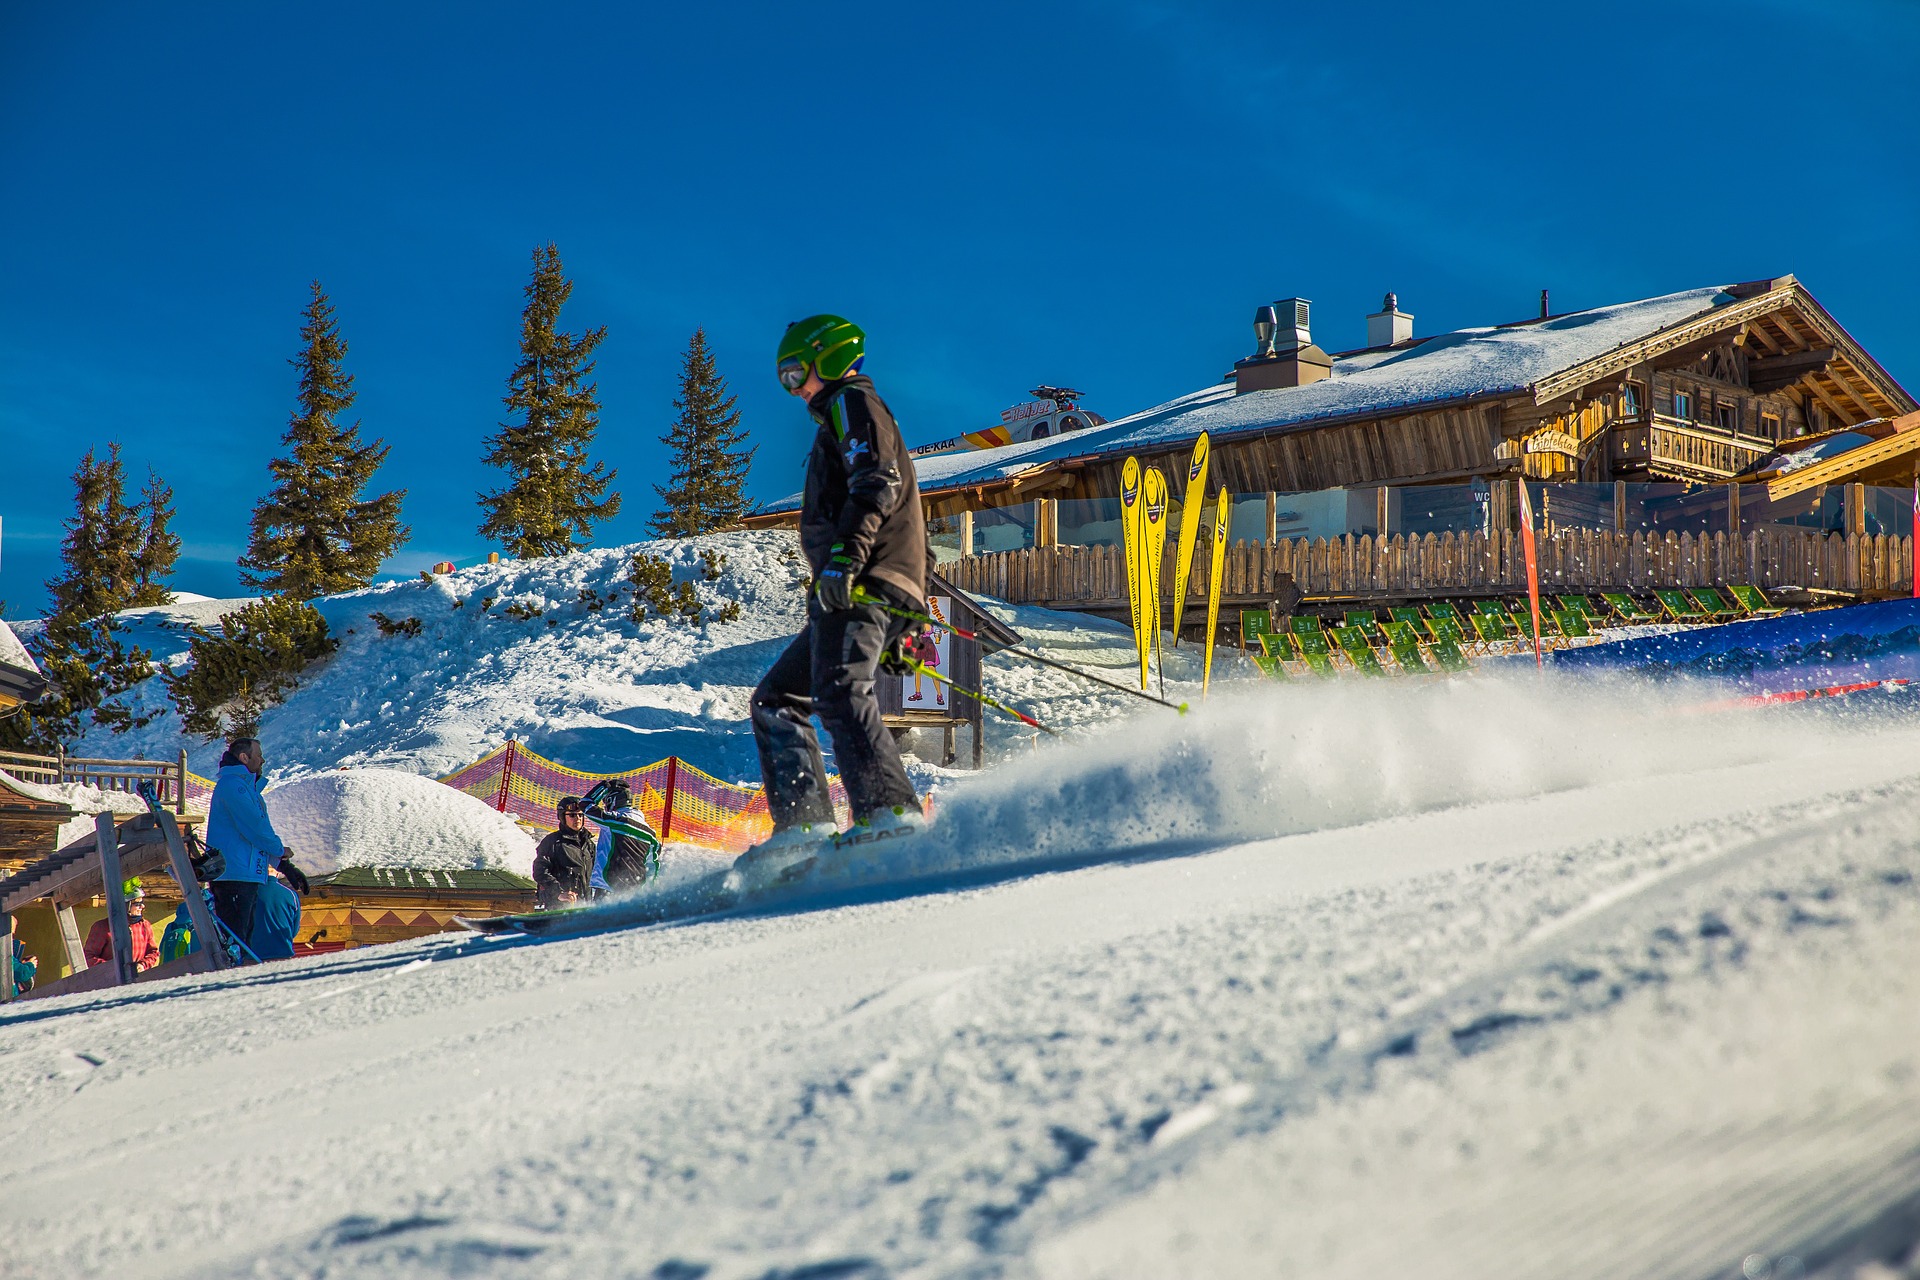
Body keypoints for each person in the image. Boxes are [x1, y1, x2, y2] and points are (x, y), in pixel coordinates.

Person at [745, 315, 929, 863]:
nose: (795, 388)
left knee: (838, 689)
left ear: (828, 357)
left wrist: (845, 560)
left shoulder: (852, 403)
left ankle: (889, 812)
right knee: (777, 700)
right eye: (785, 378)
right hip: (863, 583)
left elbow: (877, 483)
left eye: (796, 372)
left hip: (860, 580)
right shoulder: (842, 414)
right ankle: (805, 829)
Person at [205, 736, 310, 961]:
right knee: (235, 942)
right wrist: (280, 851)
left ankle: (237, 982)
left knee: (243, 942)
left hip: (245, 874)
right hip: (233, 875)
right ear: (245, 757)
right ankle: (228, 986)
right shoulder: (234, 787)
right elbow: (255, 828)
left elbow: (253, 838)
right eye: (259, 754)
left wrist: (282, 865)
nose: (262, 760)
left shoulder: (245, 788)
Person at [583, 779, 662, 893]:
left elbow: (585, 804)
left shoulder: (614, 820)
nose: (605, 805)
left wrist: (603, 786)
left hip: (608, 888)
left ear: (612, 800)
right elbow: (652, 866)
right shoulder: (651, 834)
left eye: (606, 801)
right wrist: (647, 895)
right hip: (634, 895)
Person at [531, 796, 597, 909]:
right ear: (562, 817)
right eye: (572, 815)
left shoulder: (588, 844)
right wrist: (558, 893)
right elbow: (540, 872)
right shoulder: (552, 842)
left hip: (585, 904)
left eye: (580, 815)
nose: (577, 818)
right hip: (559, 906)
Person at [84, 878, 161, 973]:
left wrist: (142, 965)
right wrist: (114, 969)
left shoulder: (144, 925)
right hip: (109, 981)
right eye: (137, 904)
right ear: (125, 906)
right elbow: (89, 957)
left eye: (142, 903)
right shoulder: (103, 927)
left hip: (137, 980)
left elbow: (153, 952)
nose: (142, 906)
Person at [5, 912, 34, 997]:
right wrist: (30, 965)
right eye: (11, 934)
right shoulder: (3, 951)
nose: (12, 938)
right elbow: (22, 973)